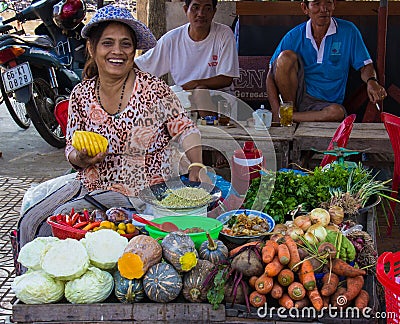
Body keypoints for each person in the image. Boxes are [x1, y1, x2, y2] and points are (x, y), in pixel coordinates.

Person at [66, 4, 209, 197]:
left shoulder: (153, 89)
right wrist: (82, 158)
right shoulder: (80, 94)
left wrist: (197, 164)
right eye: (107, 43)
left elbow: (185, 129)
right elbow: (71, 147)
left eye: (125, 44)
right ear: (92, 48)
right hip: (95, 193)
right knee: (35, 221)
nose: (117, 51)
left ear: (133, 51)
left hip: (150, 193)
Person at [266, 0, 387, 123]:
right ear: (305, 8)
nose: (323, 9)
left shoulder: (348, 31)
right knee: (285, 58)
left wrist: (372, 81)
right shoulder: (294, 36)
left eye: (328, 2)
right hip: (297, 99)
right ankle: (289, 114)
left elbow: (365, 65)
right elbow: (270, 76)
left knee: (337, 112)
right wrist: (275, 110)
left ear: (334, 4)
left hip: (326, 106)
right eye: (316, 4)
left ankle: (288, 117)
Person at [134, 0, 240, 117]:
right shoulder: (172, 39)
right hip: (185, 101)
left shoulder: (224, 34)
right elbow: (141, 66)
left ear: (214, 12)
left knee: (200, 91)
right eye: (195, 7)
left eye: (207, 8)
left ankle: (213, 132)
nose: (201, 13)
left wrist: (194, 84)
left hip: (221, 103)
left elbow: (226, 78)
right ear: (186, 10)